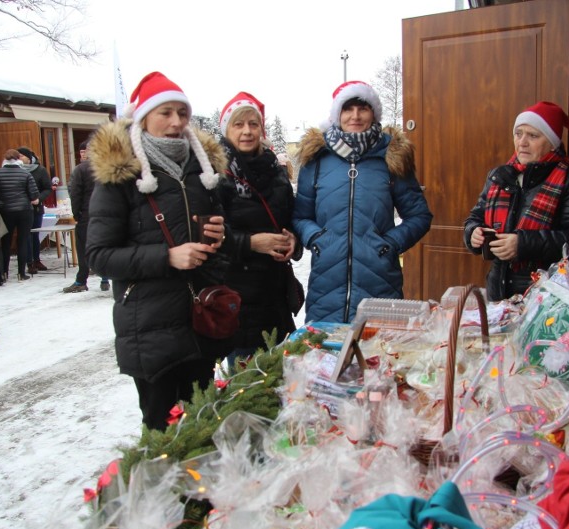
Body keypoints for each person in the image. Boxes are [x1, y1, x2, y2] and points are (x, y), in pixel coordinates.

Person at [86, 71, 230, 431]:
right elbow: (99, 256)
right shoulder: (120, 176)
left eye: (182, 113)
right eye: (165, 112)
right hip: (149, 326)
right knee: (162, 429)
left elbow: (214, 236)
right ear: (144, 117)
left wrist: (219, 235)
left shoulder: (202, 169)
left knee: (202, 422)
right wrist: (167, 256)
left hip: (200, 319)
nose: (176, 122)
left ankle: (200, 489)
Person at [293, 80, 433, 323]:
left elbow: (419, 216)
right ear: (338, 114)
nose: (355, 116)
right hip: (326, 286)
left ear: (373, 113)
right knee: (326, 356)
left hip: (380, 283)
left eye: (363, 109)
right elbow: (300, 216)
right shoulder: (316, 158)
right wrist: (316, 239)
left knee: (378, 355)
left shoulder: (392, 157)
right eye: (348, 109)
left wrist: (389, 244)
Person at [463, 101, 569, 301]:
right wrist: (473, 233)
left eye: (533, 136)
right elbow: (475, 217)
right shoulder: (500, 175)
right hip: (499, 291)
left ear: (552, 143)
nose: (522, 142)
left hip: (547, 295)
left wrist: (523, 244)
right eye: (518, 134)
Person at [217, 91, 301, 363]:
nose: (247, 131)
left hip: (275, 295)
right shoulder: (214, 174)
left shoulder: (275, 170)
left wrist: (293, 241)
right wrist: (253, 243)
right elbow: (208, 237)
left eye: (253, 124)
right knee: (247, 388)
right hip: (237, 297)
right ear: (226, 129)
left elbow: (291, 217)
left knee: (285, 381)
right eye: (238, 125)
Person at [63, 140, 110, 293]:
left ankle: (81, 280)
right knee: (106, 245)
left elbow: (75, 194)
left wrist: (76, 214)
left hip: (87, 214)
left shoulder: (81, 169)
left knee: (83, 248)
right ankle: (105, 278)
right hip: (107, 214)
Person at [0, 149, 40, 281]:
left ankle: (4, 272)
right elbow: (34, 195)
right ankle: (21, 273)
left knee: (6, 242)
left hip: (5, 211)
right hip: (24, 210)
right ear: (18, 159)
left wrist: (0, 203)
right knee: (23, 241)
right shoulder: (26, 174)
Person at [17, 146, 52, 274]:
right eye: (17, 156)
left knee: (34, 234)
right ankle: (29, 262)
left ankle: (36, 259)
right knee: (25, 235)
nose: (19, 158)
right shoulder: (16, 171)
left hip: (36, 208)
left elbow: (47, 188)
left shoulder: (40, 170)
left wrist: (39, 198)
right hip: (22, 208)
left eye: (21, 156)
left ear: (29, 157)